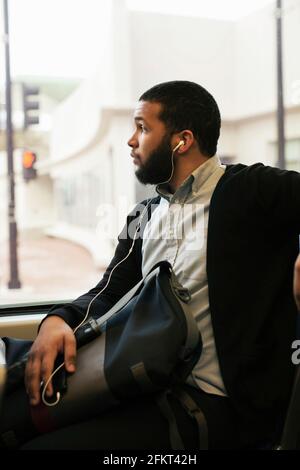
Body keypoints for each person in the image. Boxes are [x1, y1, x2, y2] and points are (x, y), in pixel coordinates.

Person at [1, 80, 300, 450]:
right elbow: (110, 290)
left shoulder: (252, 190)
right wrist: (58, 320)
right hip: (148, 383)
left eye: (142, 128)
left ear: (182, 140)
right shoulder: (143, 214)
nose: (131, 140)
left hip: (216, 404)